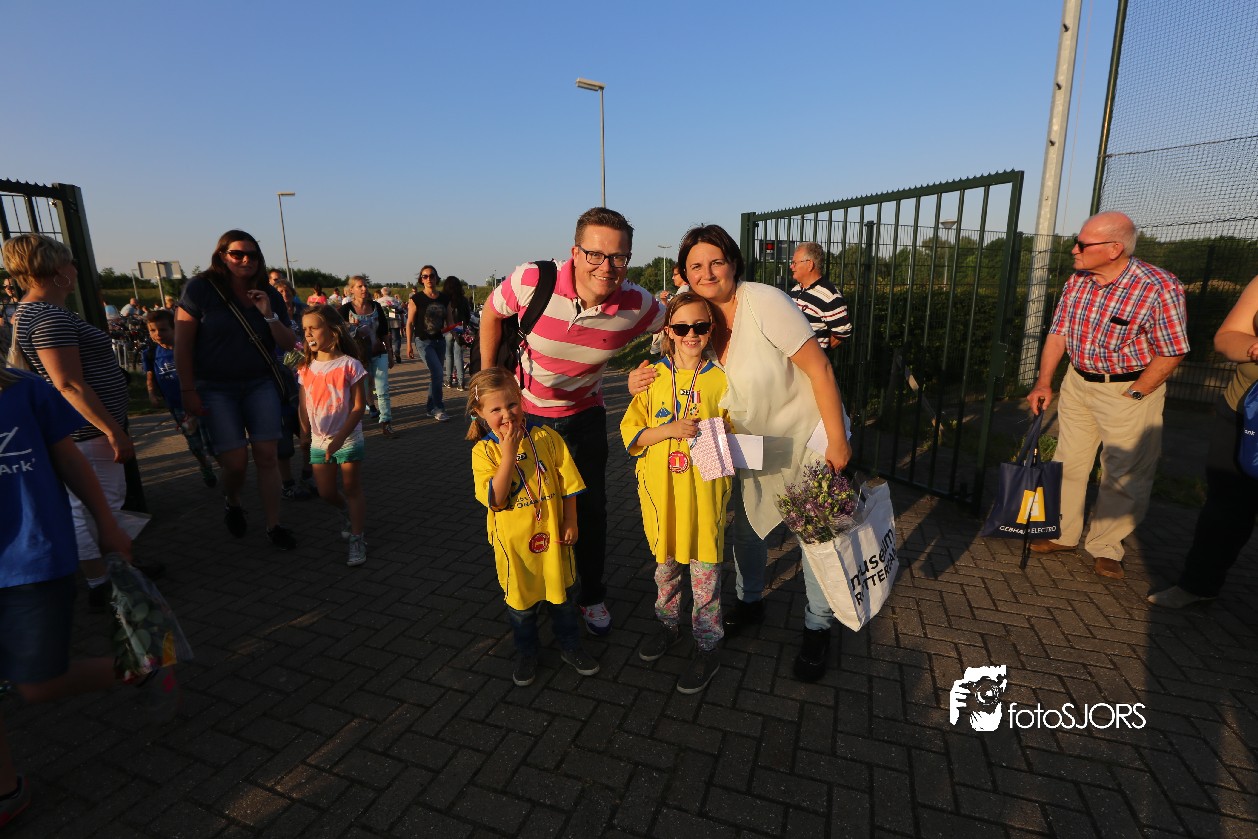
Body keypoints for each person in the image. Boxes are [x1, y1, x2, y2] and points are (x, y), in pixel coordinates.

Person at [628, 224, 852, 682]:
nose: (707, 272)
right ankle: (750, 604)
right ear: (685, 273)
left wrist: (837, 440)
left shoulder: (765, 302)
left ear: (733, 263)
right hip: (749, 445)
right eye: (696, 265)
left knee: (814, 538)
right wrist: (637, 379)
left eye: (716, 261)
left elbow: (821, 369)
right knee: (748, 531)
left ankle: (817, 627)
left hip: (804, 435)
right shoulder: (699, 317)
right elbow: (669, 361)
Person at [0, 367, 178, 831]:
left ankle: (142, 668)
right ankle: (7, 788)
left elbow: (71, 461)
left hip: (30, 560)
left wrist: (107, 523)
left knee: (38, 685)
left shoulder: (24, 391)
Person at [479, 207, 666, 635]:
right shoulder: (533, 280)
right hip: (528, 419)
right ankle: (540, 590)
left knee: (590, 511)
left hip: (584, 418)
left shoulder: (637, 304)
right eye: (595, 254)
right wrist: (490, 385)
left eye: (618, 257)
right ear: (575, 252)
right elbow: (491, 312)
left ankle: (592, 595)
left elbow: (682, 326)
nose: (607, 266)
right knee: (532, 509)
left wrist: (650, 373)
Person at [1026, 212, 1189, 580]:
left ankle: (1106, 547)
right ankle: (1062, 533)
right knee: (1068, 461)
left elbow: (1173, 350)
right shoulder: (1077, 281)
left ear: (1114, 249)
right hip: (1077, 384)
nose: (1074, 249)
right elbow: (1058, 333)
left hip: (1128, 389)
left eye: (1082, 244)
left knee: (1124, 471)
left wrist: (1137, 392)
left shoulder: (1159, 287)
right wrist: (1044, 382)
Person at [4, 234, 140, 609]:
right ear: (57, 270)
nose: (76, 270)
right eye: (70, 263)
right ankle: (104, 582)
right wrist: (112, 430)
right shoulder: (47, 316)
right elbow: (68, 383)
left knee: (89, 506)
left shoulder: (33, 311)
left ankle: (106, 575)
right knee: (97, 506)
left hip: (86, 428)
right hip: (88, 430)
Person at [620, 292, 732, 694]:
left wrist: (726, 432)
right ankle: (667, 626)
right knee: (665, 568)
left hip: (703, 494)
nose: (691, 334)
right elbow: (632, 433)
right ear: (668, 331)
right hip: (663, 494)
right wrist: (669, 430)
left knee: (705, 575)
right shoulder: (651, 376)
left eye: (700, 326)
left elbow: (736, 433)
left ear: (710, 329)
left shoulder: (722, 379)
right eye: (682, 327)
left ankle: (708, 644)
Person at [465, 367, 599, 686]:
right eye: (496, 409)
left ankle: (570, 646)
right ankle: (527, 652)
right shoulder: (484, 451)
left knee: (562, 599)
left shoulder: (546, 437)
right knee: (522, 607)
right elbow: (496, 499)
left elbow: (569, 484)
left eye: (512, 404)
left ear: (522, 400)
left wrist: (571, 520)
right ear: (479, 413)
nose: (507, 414)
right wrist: (508, 454)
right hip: (516, 548)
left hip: (553, 538)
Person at [175, 230, 299, 550]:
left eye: (252, 255)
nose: (246, 260)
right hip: (215, 387)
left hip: (260, 383)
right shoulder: (200, 289)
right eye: (237, 254)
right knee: (235, 463)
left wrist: (269, 315)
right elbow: (182, 345)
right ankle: (232, 500)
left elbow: (289, 344)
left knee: (267, 456)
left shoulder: (268, 292)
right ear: (222, 256)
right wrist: (187, 390)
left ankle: (274, 525)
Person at [1148, 275, 1258, 607]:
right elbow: (1226, 338)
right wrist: (1253, 347)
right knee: (1226, 506)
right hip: (1243, 411)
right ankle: (1198, 585)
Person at [297, 305, 370, 566]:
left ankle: (357, 538)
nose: (308, 334)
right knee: (326, 492)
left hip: (347, 438)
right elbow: (303, 404)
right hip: (319, 440)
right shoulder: (306, 368)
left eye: (313, 328)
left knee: (351, 487)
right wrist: (304, 433)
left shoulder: (350, 365)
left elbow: (359, 406)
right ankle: (347, 513)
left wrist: (340, 438)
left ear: (333, 331)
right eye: (304, 329)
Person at [143, 309, 217, 487]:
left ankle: (227, 468)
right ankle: (204, 466)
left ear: (174, 328)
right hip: (178, 407)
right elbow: (150, 376)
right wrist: (152, 394)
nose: (158, 334)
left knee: (213, 439)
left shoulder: (188, 347)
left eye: (163, 329)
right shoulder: (151, 353)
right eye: (153, 330)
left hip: (201, 401)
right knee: (193, 440)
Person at [340, 275, 396, 437]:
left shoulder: (376, 306)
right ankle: (356, 424)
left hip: (378, 352)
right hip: (358, 358)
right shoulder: (345, 310)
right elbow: (338, 333)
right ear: (352, 290)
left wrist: (390, 352)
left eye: (365, 285)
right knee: (362, 391)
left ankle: (386, 422)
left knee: (383, 389)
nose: (364, 289)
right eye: (360, 286)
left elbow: (384, 331)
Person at [406, 265, 450, 421]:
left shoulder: (444, 298)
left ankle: (430, 408)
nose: (429, 279)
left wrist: (457, 334)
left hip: (440, 341)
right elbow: (409, 323)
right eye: (425, 276)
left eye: (432, 276)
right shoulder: (416, 299)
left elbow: (450, 321)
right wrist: (409, 345)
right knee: (437, 373)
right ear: (421, 279)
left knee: (436, 375)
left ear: (437, 278)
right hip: (424, 341)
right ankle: (439, 408)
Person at [789, 242, 852, 349]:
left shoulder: (830, 297)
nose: (791, 266)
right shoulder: (796, 289)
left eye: (794, 263)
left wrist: (819, 352)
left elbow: (843, 331)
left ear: (809, 264)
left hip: (808, 359)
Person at [443, 275, 472, 390]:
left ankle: (449, 380)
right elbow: (468, 315)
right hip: (460, 328)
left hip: (448, 329)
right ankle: (461, 382)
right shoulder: (463, 300)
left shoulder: (444, 300)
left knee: (448, 356)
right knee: (458, 356)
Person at [378, 286, 404, 364]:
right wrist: (392, 310)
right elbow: (401, 310)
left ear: (382, 293)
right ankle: (397, 351)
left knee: (386, 339)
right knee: (397, 338)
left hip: (383, 322)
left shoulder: (378, 301)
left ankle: (390, 353)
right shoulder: (395, 300)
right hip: (394, 320)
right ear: (390, 293)